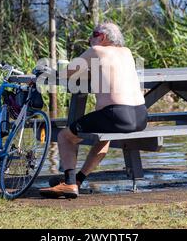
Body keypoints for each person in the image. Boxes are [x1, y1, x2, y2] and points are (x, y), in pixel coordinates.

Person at [39, 22, 147, 199]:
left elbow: (67, 73)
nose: (90, 38)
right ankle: (78, 179)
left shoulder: (97, 51)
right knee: (104, 136)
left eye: (94, 34)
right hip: (141, 116)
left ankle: (69, 183)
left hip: (117, 115)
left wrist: (47, 71)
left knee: (64, 137)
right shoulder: (126, 52)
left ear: (103, 37)